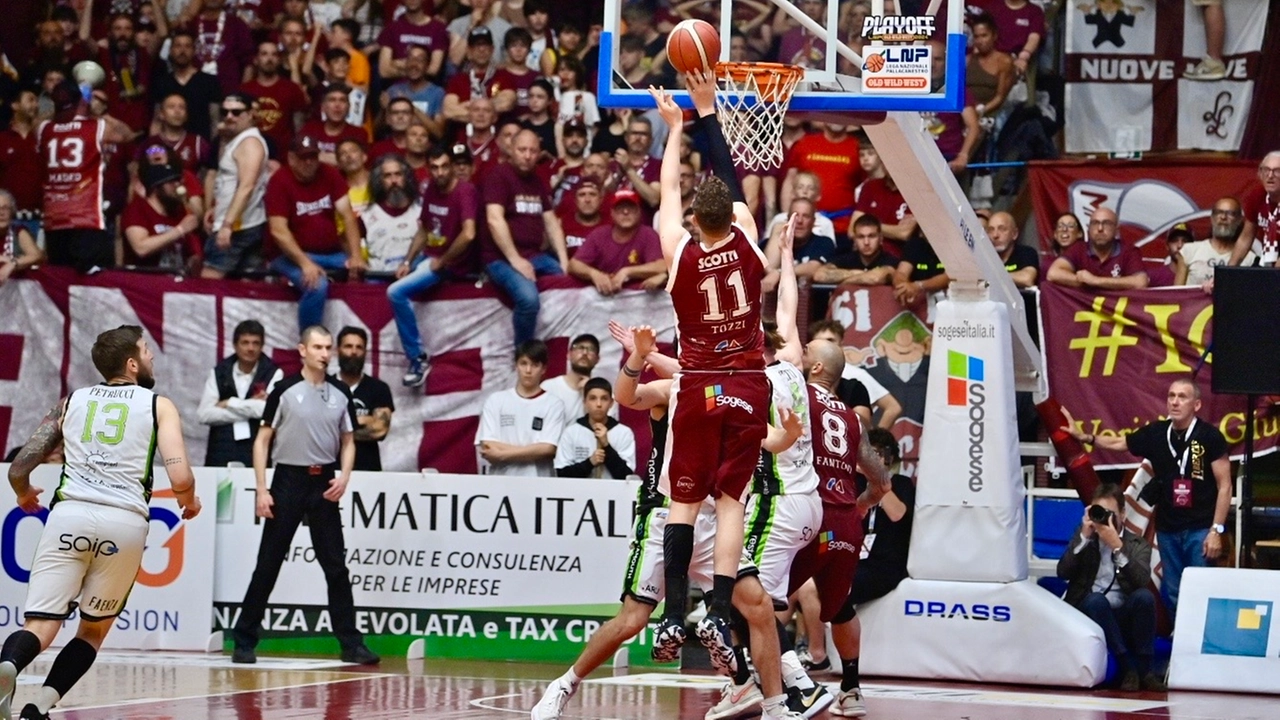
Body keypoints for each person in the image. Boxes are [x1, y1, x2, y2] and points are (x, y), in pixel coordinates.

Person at [530, 324, 805, 720]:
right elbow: (627, 397)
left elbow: (770, 438)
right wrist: (639, 357)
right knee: (633, 619)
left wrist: (790, 435)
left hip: (715, 520)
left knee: (759, 607)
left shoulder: (741, 394)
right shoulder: (675, 387)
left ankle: (777, 706)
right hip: (666, 514)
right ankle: (564, 684)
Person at [650, 73, 793, 717]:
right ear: (731, 218)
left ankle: (674, 613)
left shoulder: (677, 249)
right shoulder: (748, 240)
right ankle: (717, 605)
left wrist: (676, 126)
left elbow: (667, 191)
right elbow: (732, 185)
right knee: (730, 502)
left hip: (698, 382)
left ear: (690, 220)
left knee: (684, 502)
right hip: (746, 384)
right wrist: (711, 115)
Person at [1, 325, 201, 719]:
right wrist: (188, 501)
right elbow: (180, 478)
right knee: (92, 630)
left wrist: (24, 494)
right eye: (146, 351)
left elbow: (19, 466)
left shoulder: (71, 401)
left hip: (69, 515)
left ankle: (8, 666)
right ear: (131, 363)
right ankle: (37, 707)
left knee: (40, 624)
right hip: (123, 523)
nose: (151, 357)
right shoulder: (158, 405)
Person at [229, 325, 378, 666]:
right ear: (302, 350)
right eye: (318, 347)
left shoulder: (340, 391)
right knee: (268, 563)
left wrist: (345, 476)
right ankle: (244, 640)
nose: (325, 353)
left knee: (336, 566)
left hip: (323, 481)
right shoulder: (284, 389)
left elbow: (349, 439)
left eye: (329, 348)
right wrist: (262, 490)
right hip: (288, 481)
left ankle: (351, 644)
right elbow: (262, 440)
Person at [1061, 378, 1231, 616]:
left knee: (1202, 589)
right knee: (1172, 592)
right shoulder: (1158, 433)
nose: (1174, 401)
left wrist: (1216, 530)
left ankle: (1204, 647)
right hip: (1168, 528)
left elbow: (1225, 486)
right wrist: (1086, 437)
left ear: (1197, 405)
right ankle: (1178, 646)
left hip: (1201, 528)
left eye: (1182, 397)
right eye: (1171, 396)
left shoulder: (1209, 437)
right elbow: (1121, 442)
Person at [824, 427, 914, 714]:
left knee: (839, 590)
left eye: (880, 455)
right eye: (869, 454)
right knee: (806, 585)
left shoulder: (900, 483)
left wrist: (879, 481)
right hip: (853, 557)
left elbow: (897, 513)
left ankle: (837, 671)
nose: (874, 459)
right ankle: (807, 654)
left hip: (885, 565)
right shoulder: (853, 483)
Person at [1056, 484, 1164, 692]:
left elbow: (1141, 581)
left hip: (1122, 615)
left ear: (1122, 514)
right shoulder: (1085, 536)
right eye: (1099, 512)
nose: (1104, 518)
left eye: (1110, 513)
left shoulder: (1136, 543)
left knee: (1144, 597)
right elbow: (1063, 572)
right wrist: (1084, 539)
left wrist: (1117, 546)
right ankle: (1128, 668)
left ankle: (1144, 670)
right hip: (1091, 612)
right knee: (1096, 600)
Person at [388, 145, 479, 387]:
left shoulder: (465, 191)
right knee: (388, 281)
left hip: (452, 262)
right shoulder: (430, 189)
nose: (439, 172)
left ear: (452, 167)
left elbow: (469, 234)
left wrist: (444, 260)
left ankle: (417, 358)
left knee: (395, 292)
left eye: (444, 167)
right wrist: (407, 261)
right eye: (434, 168)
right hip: (430, 254)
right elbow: (424, 230)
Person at [264, 134, 364, 331]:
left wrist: (356, 256)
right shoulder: (279, 181)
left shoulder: (329, 173)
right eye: (303, 158)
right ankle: (310, 342)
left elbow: (347, 215)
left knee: (366, 274)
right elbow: (278, 230)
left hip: (331, 252)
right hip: (289, 254)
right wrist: (305, 263)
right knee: (316, 286)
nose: (309, 162)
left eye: (313, 156)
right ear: (291, 158)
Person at [482, 129, 569, 345]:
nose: (528, 155)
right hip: (499, 257)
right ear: (511, 149)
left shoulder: (537, 180)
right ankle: (524, 354)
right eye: (522, 150)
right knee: (529, 299)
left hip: (534, 254)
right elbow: (494, 220)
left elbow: (551, 223)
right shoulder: (498, 176)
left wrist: (564, 262)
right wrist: (516, 260)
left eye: (533, 151)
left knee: (566, 282)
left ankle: (555, 343)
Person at [38, 78, 133, 274]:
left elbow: (43, 120)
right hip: (85, 218)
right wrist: (97, 111)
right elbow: (128, 134)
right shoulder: (97, 127)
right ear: (82, 100)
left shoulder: (43, 129)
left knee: (59, 276)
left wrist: (63, 108)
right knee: (92, 280)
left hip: (55, 218)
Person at [201, 92, 270, 279]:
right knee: (243, 288)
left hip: (238, 227)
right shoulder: (236, 140)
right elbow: (226, 178)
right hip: (240, 223)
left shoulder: (250, 143)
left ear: (250, 115)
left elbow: (246, 186)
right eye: (225, 112)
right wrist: (216, 208)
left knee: (208, 285)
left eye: (236, 112)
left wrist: (227, 224)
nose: (229, 117)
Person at [475, 340, 566, 477]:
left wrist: (501, 455)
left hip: (539, 485)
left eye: (535, 365)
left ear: (543, 369)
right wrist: (532, 451)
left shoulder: (553, 404)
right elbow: (487, 444)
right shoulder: (496, 401)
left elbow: (548, 448)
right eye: (523, 364)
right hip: (501, 483)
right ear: (516, 365)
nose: (528, 370)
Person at [198, 319, 282, 467]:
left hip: (257, 451)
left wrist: (230, 403)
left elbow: (271, 411)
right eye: (245, 342)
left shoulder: (274, 373)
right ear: (235, 345)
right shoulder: (219, 372)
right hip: (220, 452)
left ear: (262, 346)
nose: (250, 348)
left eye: (255, 343)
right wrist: (251, 407)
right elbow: (204, 414)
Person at [568, 190, 666, 294]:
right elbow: (573, 265)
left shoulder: (648, 234)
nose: (625, 212)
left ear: (639, 212)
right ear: (612, 213)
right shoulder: (599, 234)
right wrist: (594, 274)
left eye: (631, 208)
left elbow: (661, 266)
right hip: (604, 296)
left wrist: (627, 272)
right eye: (620, 208)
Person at [808, 320, 901, 429]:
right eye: (819, 341)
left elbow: (893, 407)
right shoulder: (803, 374)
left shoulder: (856, 375)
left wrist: (875, 440)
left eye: (830, 340)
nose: (826, 346)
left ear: (841, 344)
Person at [781, 122, 863, 238]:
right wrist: (787, 216)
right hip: (804, 225)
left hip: (844, 227)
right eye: (833, 111)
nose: (837, 117)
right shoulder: (804, 143)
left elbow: (867, 187)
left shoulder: (857, 147)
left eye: (841, 111)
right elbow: (790, 180)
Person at [120, 163, 203, 272]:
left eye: (178, 181)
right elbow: (140, 248)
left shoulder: (179, 211)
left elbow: (193, 254)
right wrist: (180, 230)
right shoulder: (137, 209)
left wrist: (194, 260)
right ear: (156, 187)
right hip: (144, 281)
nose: (177, 186)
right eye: (171, 182)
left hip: (176, 280)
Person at [335, 327, 394, 472]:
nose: (354, 352)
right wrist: (363, 420)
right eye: (348, 346)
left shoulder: (379, 388)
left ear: (365, 352)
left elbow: (379, 430)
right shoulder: (324, 386)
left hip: (367, 473)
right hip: (330, 472)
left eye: (359, 347)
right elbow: (313, 429)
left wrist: (335, 426)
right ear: (338, 350)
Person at [1046, 207, 1148, 289]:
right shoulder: (1079, 248)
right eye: (1095, 223)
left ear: (1116, 230)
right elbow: (1053, 274)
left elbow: (1140, 282)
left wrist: (1095, 280)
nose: (1100, 229)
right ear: (1089, 229)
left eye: (1106, 223)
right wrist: (1085, 282)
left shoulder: (1128, 251)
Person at [240, 41, 309, 162]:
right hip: (250, 154)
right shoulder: (244, 90)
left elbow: (299, 127)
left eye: (274, 54)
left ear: (279, 60)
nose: (269, 59)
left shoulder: (292, 89)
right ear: (256, 60)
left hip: (283, 157)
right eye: (264, 54)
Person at [554, 378, 636, 479]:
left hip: (613, 493)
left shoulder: (624, 433)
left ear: (611, 403)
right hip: (578, 493)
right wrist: (590, 463)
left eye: (604, 398)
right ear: (584, 402)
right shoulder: (571, 432)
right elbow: (562, 474)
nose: (598, 404)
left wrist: (606, 446)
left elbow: (626, 475)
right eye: (593, 398)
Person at [361, 153, 422, 273]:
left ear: (406, 177)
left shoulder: (421, 210)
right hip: (378, 278)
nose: (394, 181)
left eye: (398, 174)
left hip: (415, 278)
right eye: (387, 176)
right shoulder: (366, 216)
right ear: (379, 180)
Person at [1179, 198, 1252, 288]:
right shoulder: (1188, 251)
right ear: (1212, 218)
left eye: (1230, 214)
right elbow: (1176, 293)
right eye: (1219, 212)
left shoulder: (1249, 258)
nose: (1223, 217)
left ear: (1239, 220)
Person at [0, 90, 44, 235]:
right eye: (30, 100)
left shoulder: (44, 137)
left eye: (37, 101)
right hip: (9, 220)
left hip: (41, 219)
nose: (35, 105)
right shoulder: (3, 139)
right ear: (15, 105)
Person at [814, 214, 898, 287]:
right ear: (854, 240)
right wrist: (857, 273)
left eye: (871, 236)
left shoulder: (890, 260)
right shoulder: (847, 258)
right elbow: (819, 275)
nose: (866, 242)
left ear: (880, 238)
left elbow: (875, 278)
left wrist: (844, 283)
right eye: (861, 237)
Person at [377, 0, 448, 82]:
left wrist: (398, 64)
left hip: (425, 89)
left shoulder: (438, 29)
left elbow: (433, 70)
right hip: (396, 88)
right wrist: (416, 70)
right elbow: (384, 71)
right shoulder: (391, 28)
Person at [1230, 151, 1280, 267]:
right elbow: (1245, 238)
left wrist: (1273, 277)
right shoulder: (1257, 195)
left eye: (1277, 171)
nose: (1270, 175)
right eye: (1266, 170)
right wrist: (1227, 273)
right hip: (1268, 260)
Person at [299, 85, 369, 165]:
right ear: (323, 107)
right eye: (332, 100)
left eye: (342, 100)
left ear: (349, 107)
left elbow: (358, 164)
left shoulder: (358, 134)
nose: (337, 105)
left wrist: (318, 156)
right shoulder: (309, 129)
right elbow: (301, 159)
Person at [0, 190, 45, 286]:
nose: (1, 213)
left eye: (5, 208)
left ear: (12, 211)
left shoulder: (18, 231)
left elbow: (37, 256)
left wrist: (12, 264)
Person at [987, 211, 1039, 287]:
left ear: (1014, 234)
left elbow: (1027, 279)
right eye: (991, 230)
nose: (995, 235)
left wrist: (992, 276)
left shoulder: (1026, 253)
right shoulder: (984, 255)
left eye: (1002, 229)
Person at [558, 180, 606, 258]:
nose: (587, 200)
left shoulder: (611, 225)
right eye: (582, 195)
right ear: (575, 200)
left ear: (601, 199)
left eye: (593, 194)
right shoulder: (562, 224)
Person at [1042, 211, 1083, 279]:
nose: (1064, 229)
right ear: (1055, 234)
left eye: (1070, 226)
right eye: (1060, 226)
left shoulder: (1086, 261)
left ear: (1079, 234)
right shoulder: (1048, 263)